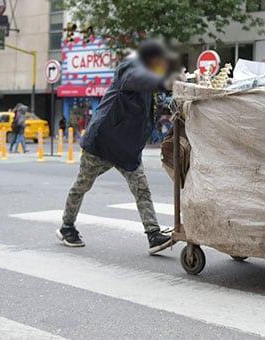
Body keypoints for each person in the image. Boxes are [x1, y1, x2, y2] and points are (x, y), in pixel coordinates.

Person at [57, 41, 181, 254]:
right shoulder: (129, 68)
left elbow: (160, 94)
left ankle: (153, 235)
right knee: (82, 185)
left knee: (141, 189)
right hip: (102, 142)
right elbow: (132, 81)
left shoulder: (153, 85)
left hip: (128, 148)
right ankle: (67, 226)